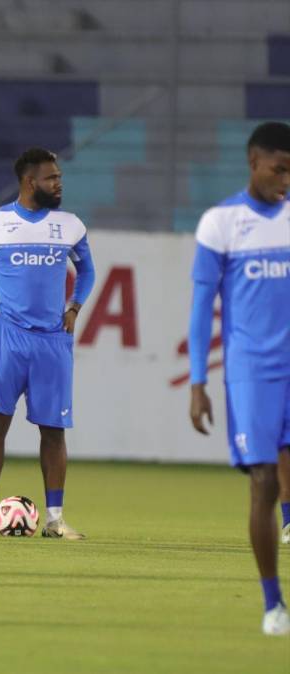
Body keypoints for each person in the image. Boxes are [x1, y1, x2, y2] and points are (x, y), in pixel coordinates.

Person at [0, 147, 95, 541]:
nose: (59, 183)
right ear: (30, 182)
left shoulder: (70, 225)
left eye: (59, 176)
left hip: (52, 340)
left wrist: (75, 307)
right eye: (52, 178)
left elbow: (87, 271)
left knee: (54, 431)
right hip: (7, 337)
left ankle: (55, 520)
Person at [188, 121, 290, 636]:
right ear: (254, 162)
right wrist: (197, 383)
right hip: (252, 373)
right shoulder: (221, 223)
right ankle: (274, 605)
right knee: (263, 480)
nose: (285, 180)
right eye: (279, 169)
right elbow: (200, 307)